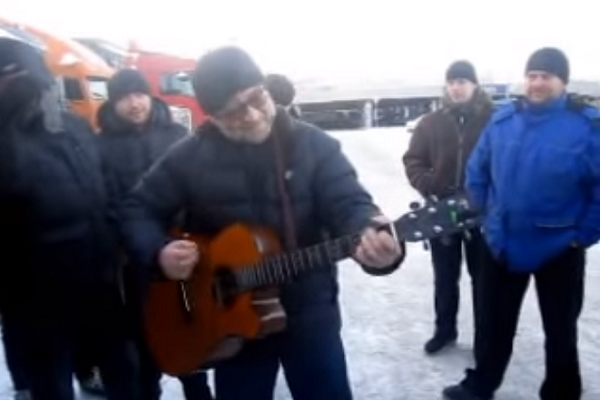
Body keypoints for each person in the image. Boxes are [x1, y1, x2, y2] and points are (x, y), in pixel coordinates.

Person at [118, 46, 405, 400]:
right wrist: (159, 252)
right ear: (213, 117)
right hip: (228, 327)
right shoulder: (190, 157)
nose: (252, 115)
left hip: (310, 318)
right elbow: (136, 210)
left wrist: (372, 237)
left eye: (257, 97)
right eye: (233, 112)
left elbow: (350, 204)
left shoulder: (314, 146)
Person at [442, 48, 600, 400]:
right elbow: (476, 171)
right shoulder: (503, 121)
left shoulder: (586, 127)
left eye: (547, 76)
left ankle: (561, 391)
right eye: (532, 75)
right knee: (493, 326)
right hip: (503, 243)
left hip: (560, 247)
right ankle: (480, 384)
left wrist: (583, 235)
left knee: (560, 330)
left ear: (563, 81)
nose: (537, 83)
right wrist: (485, 214)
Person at [0, 38, 139, 400]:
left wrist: (118, 240)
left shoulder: (73, 127)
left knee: (123, 374)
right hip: (38, 295)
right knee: (52, 383)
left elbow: (104, 187)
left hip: (101, 278)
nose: (44, 88)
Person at [96, 69, 213, 400]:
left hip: (184, 249)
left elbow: (198, 188)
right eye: (124, 98)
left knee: (191, 327)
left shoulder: (177, 135)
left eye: (139, 95)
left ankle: (198, 391)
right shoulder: (100, 145)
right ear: (114, 102)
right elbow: (104, 202)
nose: (134, 104)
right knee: (146, 336)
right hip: (134, 261)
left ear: (150, 96)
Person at [403, 60, 493, 355]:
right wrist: (428, 183)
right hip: (439, 212)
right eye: (452, 82)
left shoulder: (492, 121)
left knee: (484, 281)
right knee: (444, 277)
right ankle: (445, 330)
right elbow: (413, 160)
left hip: (482, 212)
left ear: (474, 85)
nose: (456, 88)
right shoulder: (430, 123)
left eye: (462, 82)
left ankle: (485, 338)